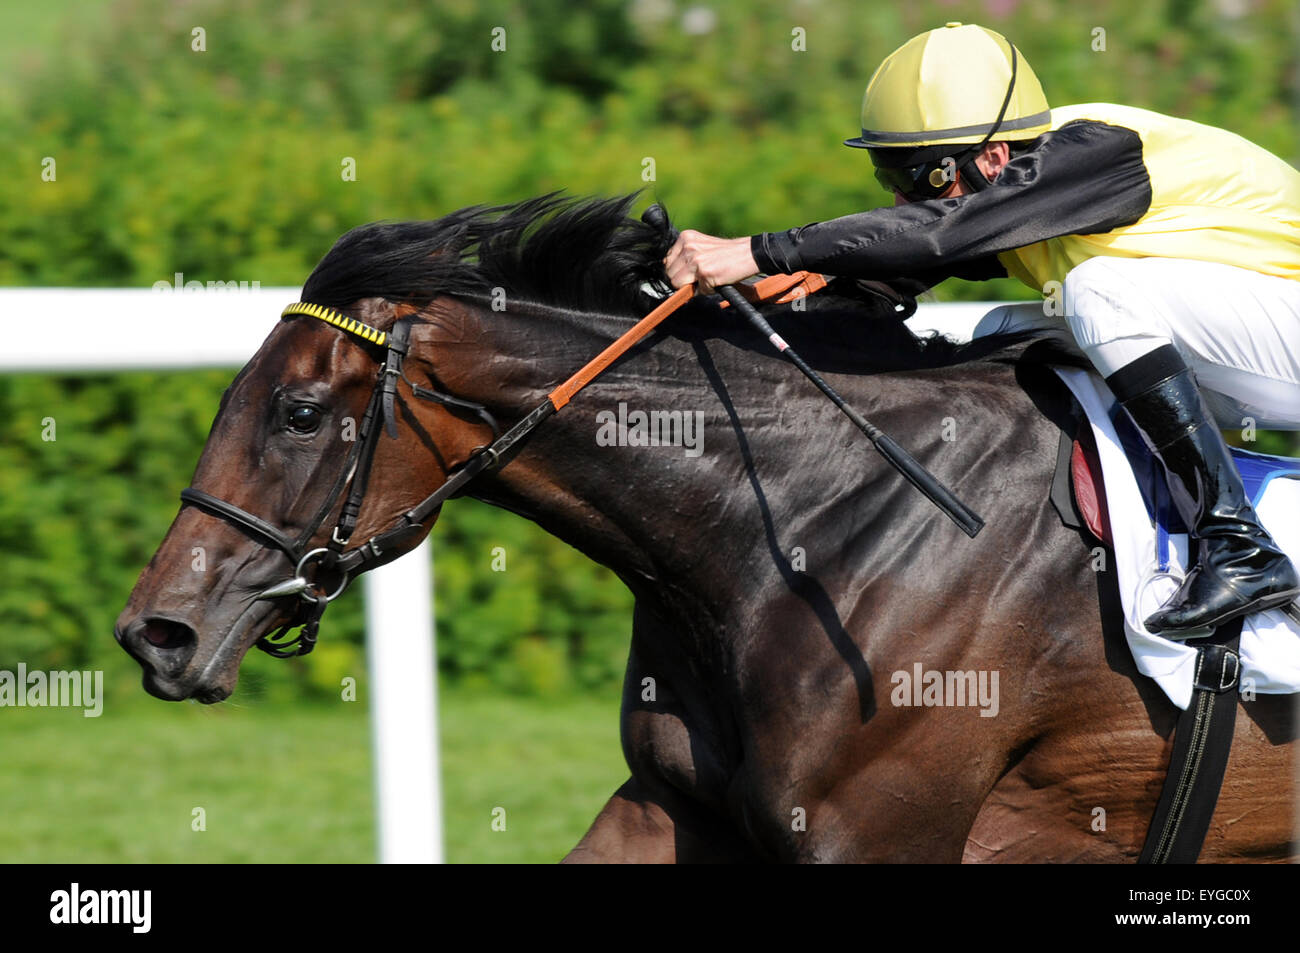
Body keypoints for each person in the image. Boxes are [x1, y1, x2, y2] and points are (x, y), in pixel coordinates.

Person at [662, 21, 1300, 638]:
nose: (901, 202)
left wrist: (763, 249)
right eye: (889, 174)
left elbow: (940, 235)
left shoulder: (1093, 154)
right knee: (1001, 331)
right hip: (1252, 347)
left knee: (1098, 292)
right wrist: (748, 313)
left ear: (994, 156)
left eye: (917, 177)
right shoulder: (1027, 195)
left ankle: (1239, 546)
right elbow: (900, 265)